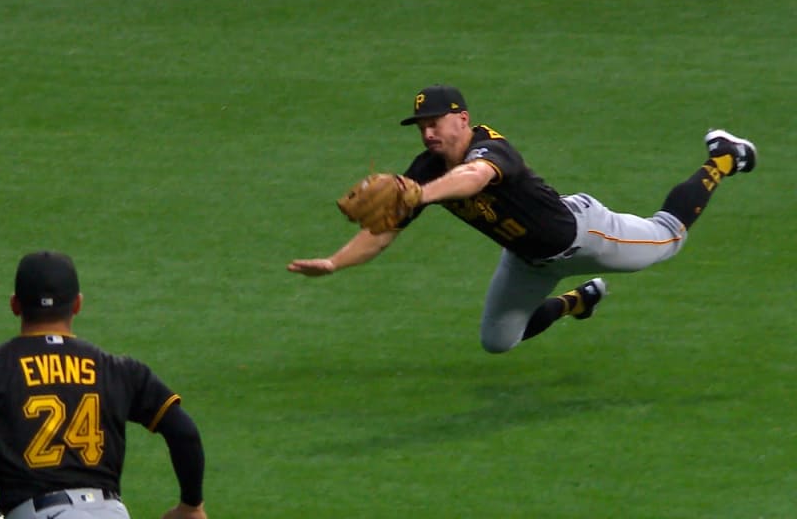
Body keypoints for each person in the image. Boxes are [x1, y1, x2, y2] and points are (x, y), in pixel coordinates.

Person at [288, 84, 756, 353]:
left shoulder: (489, 145)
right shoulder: (424, 169)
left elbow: (474, 178)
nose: (428, 131)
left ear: (463, 119)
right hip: (526, 260)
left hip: (586, 234)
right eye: (421, 125)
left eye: (435, 121)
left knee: (668, 237)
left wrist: (420, 195)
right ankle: (578, 302)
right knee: (497, 341)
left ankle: (724, 158)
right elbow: (382, 232)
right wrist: (334, 263)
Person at [0, 251, 207, 519]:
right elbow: (184, 432)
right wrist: (191, 506)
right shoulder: (117, 370)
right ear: (77, 304)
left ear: (15, 305)